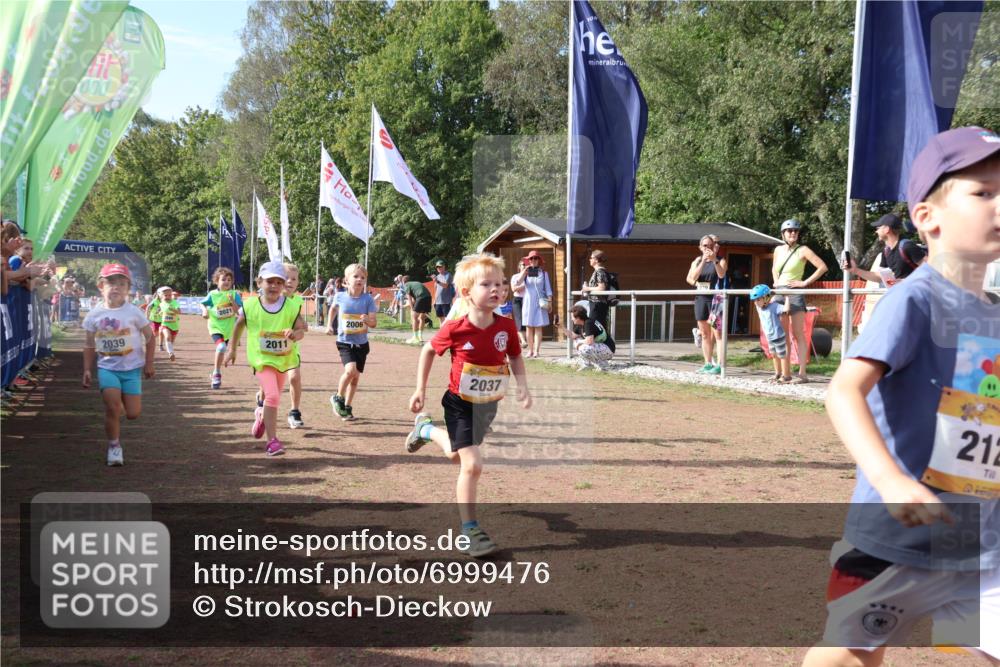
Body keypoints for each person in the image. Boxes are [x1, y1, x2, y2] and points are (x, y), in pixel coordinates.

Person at [802, 126, 1000, 667]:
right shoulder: (913, 300)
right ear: (926, 217)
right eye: (982, 192)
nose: (998, 202)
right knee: (849, 654)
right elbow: (844, 391)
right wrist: (890, 481)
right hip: (894, 538)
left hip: (975, 540)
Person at [404, 253, 531, 558]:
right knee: (472, 464)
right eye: (486, 284)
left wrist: (523, 386)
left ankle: (425, 430)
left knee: (455, 456)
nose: (497, 289)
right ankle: (470, 530)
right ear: (465, 293)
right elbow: (428, 351)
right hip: (459, 404)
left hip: (487, 405)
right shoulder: (457, 328)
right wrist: (419, 388)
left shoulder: (506, 326)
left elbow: (514, 356)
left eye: (500, 284)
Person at [225, 261, 307, 457]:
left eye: (279, 282)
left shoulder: (289, 306)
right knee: (272, 396)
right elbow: (238, 325)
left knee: (273, 398)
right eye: (270, 281)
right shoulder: (251, 305)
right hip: (261, 359)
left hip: (283, 359)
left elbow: (302, 328)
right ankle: (272, 442)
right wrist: (232, 349)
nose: (274, 286)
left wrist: (295, 334)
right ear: (259, 282)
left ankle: (261, 414)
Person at [81, 263, 156, 466]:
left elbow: (150, 337)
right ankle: (114, 447)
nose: (116, 287)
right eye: (111, 283)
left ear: (128, 289)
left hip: (132, 370)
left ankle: (120, 404)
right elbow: (88, 344)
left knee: (132, 414)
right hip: (107, 368)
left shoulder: (134, 312)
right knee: (112, 408)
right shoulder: (94, 315)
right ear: (100, 286)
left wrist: (149, 363)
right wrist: (87, 369)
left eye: (122, 284)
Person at [771, 218, 828, 384]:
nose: (793, 233)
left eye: (796, 231)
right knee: (782, 335)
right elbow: (774, 268)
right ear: (783, 234)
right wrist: (776, 282)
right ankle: (784, 373)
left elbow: (822, 267)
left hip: (795, 293)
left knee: (798, 335)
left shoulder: (803, 250)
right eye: (789, 231)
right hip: (780, 293)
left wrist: (804, 283)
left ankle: (802, 374)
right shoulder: (778, 250)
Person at [327, 263, 379, 422]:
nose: (359, 280)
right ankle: (338, 397)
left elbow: (374, 323)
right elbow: (333, 309)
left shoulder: (367, 299)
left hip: (362, 344)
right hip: (345, 341)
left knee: (355, 378)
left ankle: (347, 407)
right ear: (346, 280)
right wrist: (329, 324)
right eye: (355, 276)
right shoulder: (340, 296)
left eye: (362, 277)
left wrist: (367, 320)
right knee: (350, 370)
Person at [844, 212, 927, 286]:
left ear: (887, 229)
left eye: (878, 228)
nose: (876, 232)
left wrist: (905, 282)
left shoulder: (907, 246)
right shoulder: (886, 251)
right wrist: (855, 270)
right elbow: (879, 277)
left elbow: (932, 270)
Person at [686, 235, 728, 374]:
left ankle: (720, 365)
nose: (707, 248)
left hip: (716, 299)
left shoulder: (721, 260)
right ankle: (707, 363)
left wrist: (713, 259)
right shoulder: (697, 260)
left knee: (717, 334)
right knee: (704, 333)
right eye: (704, 245)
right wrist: (703, 261)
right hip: (701, 298)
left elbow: (721, 275)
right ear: (700, 247)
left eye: (710, 245)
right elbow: (692, 278)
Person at [200, 267, 243, 390]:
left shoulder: (234, 294)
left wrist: (232, 301)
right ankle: (216, 373)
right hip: (215, 327)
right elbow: (202, 303)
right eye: (223, 279)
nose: (227, 282)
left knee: (223, 348)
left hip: (228, 329)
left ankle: (215, 373)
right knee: (221, 347)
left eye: (229, 280)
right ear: (217, 281)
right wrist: (204, 310)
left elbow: (238, 312)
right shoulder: (213, 294)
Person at [749, 284, 791, 383]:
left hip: (778, 335)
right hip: (769, 336)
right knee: (773, 354)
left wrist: (787, 297)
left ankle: (786, 376)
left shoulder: (775, 306)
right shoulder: (759, 307)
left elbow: (786, 309)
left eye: (758, 299)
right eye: (754, 300)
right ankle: (778, 373)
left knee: (782, 355)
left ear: (766, 298)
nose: (756, 302)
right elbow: (768, 297)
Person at [282, 263, 307, 428]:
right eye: (286, 278)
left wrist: (300, 327)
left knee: (294, 377)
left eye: (294, 279)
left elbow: (301, 326)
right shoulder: (270, 298)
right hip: (269, 349)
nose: (290, 282)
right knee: (270, 385)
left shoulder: (297, 301)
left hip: (290, 347)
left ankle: (294, 411)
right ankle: (262, 402)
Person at [515, 250, 552, 358]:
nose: (533, 260)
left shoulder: (544, 273)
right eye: (531, 258)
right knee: (529, 327)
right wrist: (524, 271)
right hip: (528, 301)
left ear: (539, 260)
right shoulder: (526, 272)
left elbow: (548, 289)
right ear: (528, 260)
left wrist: (550, 302)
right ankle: (530, 350)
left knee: (538, 327)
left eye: (535, 258)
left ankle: (537, 351)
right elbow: (517, 282)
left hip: (540, 302)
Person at [564, 304, 615, 371]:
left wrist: (580, 343)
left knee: (583, 348)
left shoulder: (588, 323)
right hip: (601, 347)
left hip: (608, 349)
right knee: (577, 341)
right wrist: (561, 327)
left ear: (578, 318)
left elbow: (589, 341)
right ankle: (587, 365)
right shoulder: (580, 324)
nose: (571, 319)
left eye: (572, 317)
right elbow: (572, 335)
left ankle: (603, 365)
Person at [580, 249, 612, 328]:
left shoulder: (600, 272)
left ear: (596, 260)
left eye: (591, 257)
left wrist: (587, 288)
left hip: (597, 305)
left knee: (596, 328)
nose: (589, 259)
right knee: (598, 328)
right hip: (596, 304)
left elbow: (601, 288)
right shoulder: (599, 271)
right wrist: (588, 288)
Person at [401, 275, 432, 344]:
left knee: (414, 317)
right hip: (428, 297)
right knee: (422, 317)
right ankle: (420, 336)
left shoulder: (406, 285)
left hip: (421, 297)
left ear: (403, 282)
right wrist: (405, 305)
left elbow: (409, 298)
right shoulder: (414, 284)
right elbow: (415, 300)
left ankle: (415, 337)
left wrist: (412, 309)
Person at [155, 286, 180, 361]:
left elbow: (179, 312)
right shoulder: (161, 304)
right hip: (165, 325)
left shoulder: (174, 302)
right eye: (166, 295)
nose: (168, 297)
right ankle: (171, 353)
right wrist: (159, 313)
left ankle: (170, 350)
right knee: (167, 337)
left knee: (171, 342)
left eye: (169, 295)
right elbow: (160, 311)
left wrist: (173, 309)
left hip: (175, 326)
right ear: (162, 296)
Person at [509, 258, 528, 346]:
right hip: (517, 300)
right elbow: (513, 289)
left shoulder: (529, 276)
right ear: (519, 267)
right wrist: (523, 287)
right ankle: (523, 341)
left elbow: (518, 287)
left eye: (525, 264)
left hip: (527, 299)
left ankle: (524, 341)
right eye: (522, 265)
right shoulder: (515, 276)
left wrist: (519, 287)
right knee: (518, 319)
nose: (524, 266)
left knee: (525, 320)